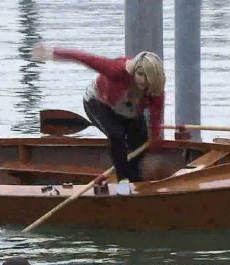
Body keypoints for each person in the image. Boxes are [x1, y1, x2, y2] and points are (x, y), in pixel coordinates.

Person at [33, 43, 166, 195]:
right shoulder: (116, 70)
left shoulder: (156, 90)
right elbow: (84, 58)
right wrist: (52, 53)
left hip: (129, 109)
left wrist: (155, 138)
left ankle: (134, 177)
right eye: (140, 75)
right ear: (134, 70)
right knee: (116, 134)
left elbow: (156, 116)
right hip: (99, 103)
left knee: (140, 139)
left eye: (148, 79)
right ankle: (123, 181)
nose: (143, 81)